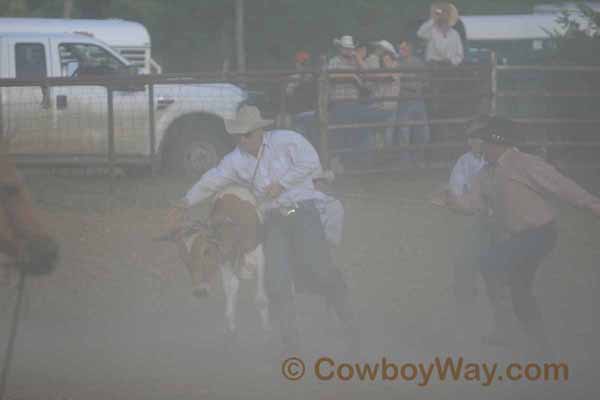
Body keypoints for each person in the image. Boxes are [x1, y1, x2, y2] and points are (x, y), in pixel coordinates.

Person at [167, 105, 355, 356]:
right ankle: (291, 344)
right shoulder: (235, 160)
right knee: (275, 280)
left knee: (318, 269)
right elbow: (213, 178)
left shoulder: (287, 141)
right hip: (274, 219)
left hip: (301, 210)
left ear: (259, 131)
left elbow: (310, 161)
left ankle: (347, 316)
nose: (243, 140)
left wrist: (282, 184)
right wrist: (186, 201)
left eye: (247, 135)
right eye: (239, 136)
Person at [435, 115, 600, 355]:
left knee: (512, 281)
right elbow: (473, 204)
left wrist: (592, 204)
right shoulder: (484, 174)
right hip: (516, 238)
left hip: (539, 234)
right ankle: (511, 330)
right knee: (494, 268)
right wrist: (451, 201)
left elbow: (560, 185)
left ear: (497, 142)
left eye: (484, 143)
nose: (479, 148)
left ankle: (537, 342)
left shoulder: (524, 163)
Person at [416, 2, 464, 66]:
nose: (444, 16)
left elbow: (459, 55)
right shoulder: (431, 32)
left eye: (446, 13)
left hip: (449, 69)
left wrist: (452, 62)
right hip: (433, 68)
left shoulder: (455, 34)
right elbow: (420, 33)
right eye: (442, 13)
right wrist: (435, 16)